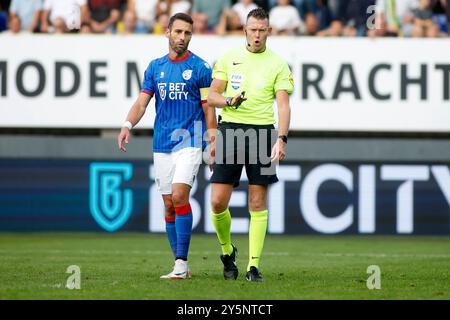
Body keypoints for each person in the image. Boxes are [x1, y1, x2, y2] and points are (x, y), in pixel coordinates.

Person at [117, 12, 216, 279]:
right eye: (178, 32)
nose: (182, 37)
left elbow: (209, 110)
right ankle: (179, 263)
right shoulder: (154, 67)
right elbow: (141, 104)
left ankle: (181, 265)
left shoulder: (201, 68)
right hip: (162, 143)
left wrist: (213, 139)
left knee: (180, 196)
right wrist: (127, 125)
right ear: (167, 32)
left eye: (187, 33)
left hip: (190, 140)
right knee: (169, 204)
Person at [207, 8, 293, 282]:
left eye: (262, 30)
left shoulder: (278, 63)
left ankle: (252, 267)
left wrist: (281, 138)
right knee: (218, 202)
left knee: (257, 201)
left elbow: (283, 104)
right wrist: (229, 101)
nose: (257, 35)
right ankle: (227, 251)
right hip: (230, 130)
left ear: (269, 31)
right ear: (244, 30)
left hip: (262, 134)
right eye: (253, 29)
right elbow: (212, 96)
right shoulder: (229, 57)